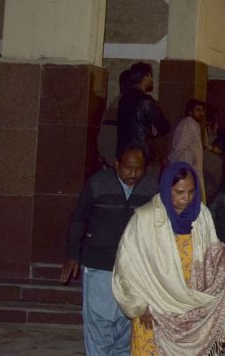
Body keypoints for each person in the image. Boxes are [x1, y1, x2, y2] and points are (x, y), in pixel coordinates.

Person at [111, 162, 225, 355]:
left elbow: (213, 255)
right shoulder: (145, 219)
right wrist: (138, 305)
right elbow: (127, 266)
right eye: (179, 192)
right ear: (166, 188)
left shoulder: (201, 216)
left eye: (191, 192)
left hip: (191, 308)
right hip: (154, 308)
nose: (186, 198)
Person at [61, 147, 159, 356]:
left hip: (134, 268)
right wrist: (72, 254)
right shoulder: (98, 184)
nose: (133, 174)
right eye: (128, 168)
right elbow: (78, 218)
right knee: (99, 324)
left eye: (139, 169)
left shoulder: (151, 188)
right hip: (99, 264)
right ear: (116, 164)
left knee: (126, 326)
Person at [115, 62, 170, 168]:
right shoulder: (146, 101)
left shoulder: (123, 99)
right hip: (142, 153)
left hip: (124, 153)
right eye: (151, 76)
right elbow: (163, 127)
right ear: (146, 77)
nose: (151, 79)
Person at [167, 99, 206, 199]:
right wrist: (171, 162)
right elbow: (180, 146)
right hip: (187, 169)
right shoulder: (188, 124)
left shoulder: (193, 124)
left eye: (202, 110)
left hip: (191, 169)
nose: (201, 113)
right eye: (198, 110)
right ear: (190, 112)